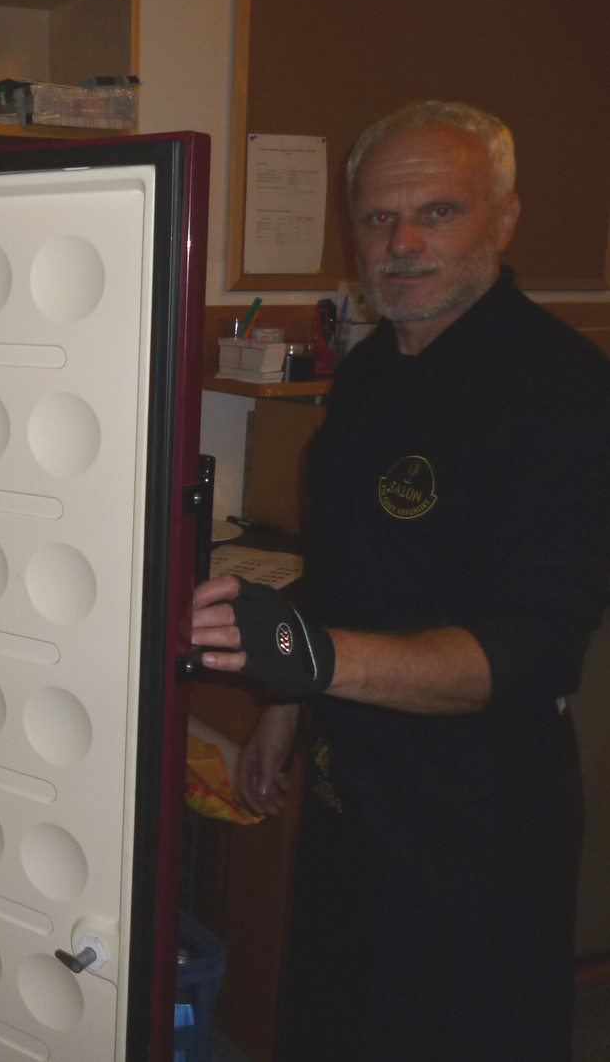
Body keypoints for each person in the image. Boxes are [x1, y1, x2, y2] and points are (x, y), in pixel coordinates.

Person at [190, 101, 610, 1061]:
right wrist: (289, 705)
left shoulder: (561, 393)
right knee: (332, 1023)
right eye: (380, 218)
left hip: (474, 825)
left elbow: (532, 652)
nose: (404, 243)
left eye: (439, 212)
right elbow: (350, 562)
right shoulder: (375, 365)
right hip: (353, 796)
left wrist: (311, 659)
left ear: (504, 219)